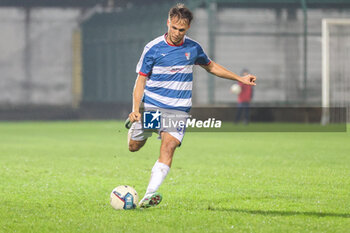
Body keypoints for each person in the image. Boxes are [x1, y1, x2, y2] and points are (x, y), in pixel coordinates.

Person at [126, 3, 256, 208]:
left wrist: (239, 78)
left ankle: (149, 195)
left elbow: (211, 66)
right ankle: (136, 128)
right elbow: (141, 80)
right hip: (153, 106)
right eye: (174, 27)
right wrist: (135, 109)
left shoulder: (193, 48)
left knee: (169, 147)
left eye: (182, 30)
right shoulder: (152, 48)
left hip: (179, 109)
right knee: (134, 147)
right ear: (168, 22)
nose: (177, 33)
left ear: (188, 29)